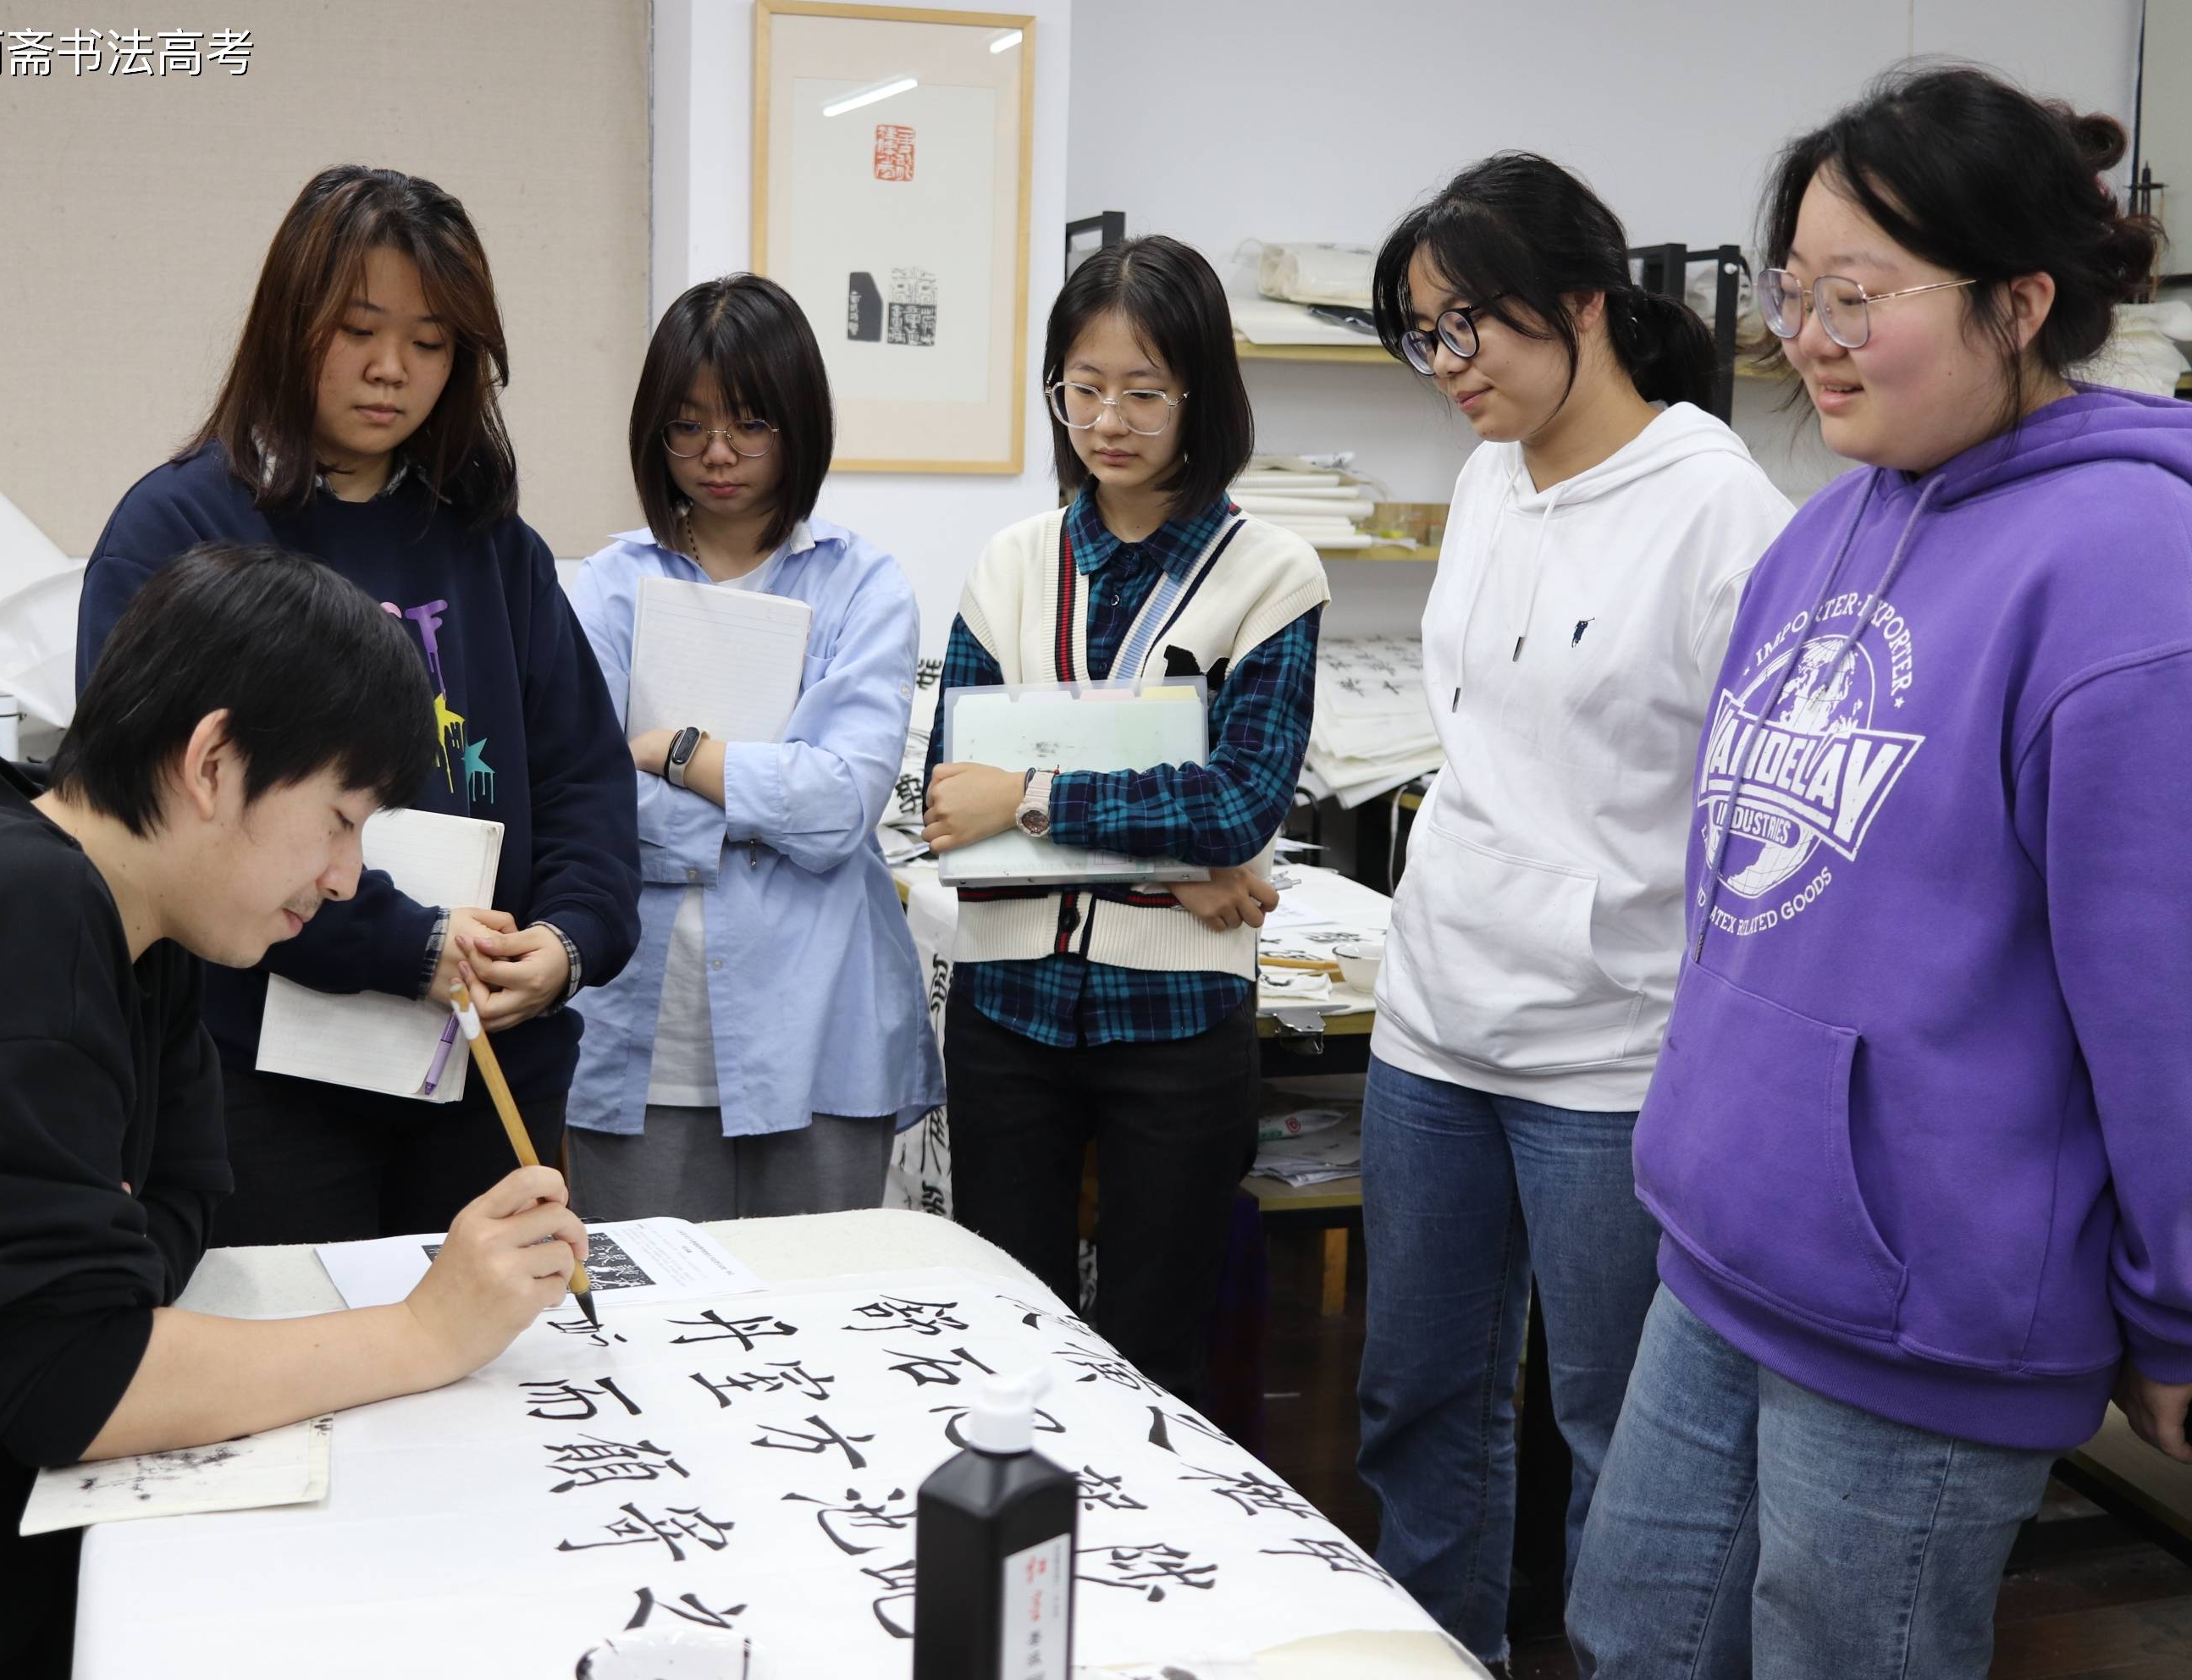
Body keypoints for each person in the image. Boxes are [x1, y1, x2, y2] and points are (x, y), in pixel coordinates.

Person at [0, 545, 592, 1677]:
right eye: (342, 819)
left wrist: (100, 1285)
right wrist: (425, 1331)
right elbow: (77, 1383)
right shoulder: (21, 914)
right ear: (214, 761)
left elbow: (183, 1197)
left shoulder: (126, 916)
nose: (350, 877)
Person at [1571, 66, 2192, 1678]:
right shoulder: (1827, 525)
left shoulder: (2133, 572)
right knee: (1626, 1633)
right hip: (1724, 1239)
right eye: (1795, 292)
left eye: (1859, 294)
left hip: (1928, 1307)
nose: (1809, 337)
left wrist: (2177, 1304)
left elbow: (2163, 997)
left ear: (2020, 302)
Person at [1350, 154, 1795, 1666]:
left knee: (1622, 1431)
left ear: (1587, 300)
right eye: (1423, 332)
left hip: (1611, 1055)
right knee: (1419, 1401)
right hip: (1431, 1027)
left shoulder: (1722, 512)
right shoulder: (1486, 474)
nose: (1448, 363)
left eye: (1471, 320)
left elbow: (1755, 830)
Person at [76, 166, 638, 1244]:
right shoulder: (178, 530)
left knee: (488, 1382)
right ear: (292, 323)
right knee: (295, 1366)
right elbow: (158, 809)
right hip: (257, 1072)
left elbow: (584, 781)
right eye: (358, 329)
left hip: (482, 1063)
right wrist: (400, 942)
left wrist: (568, 941)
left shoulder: (492, 547)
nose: (393, 371)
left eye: (430, 343)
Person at [922, 234, 1328, 1405]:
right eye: (1083, 388)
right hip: (1009, 1013)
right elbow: (955, 807)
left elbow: (1241, 801)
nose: (1109, 418)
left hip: (1179, 1020)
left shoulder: (1272, 576)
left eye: (1144, 390)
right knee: (1009, 1338)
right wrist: (1169, 866)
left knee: (1161, 1355)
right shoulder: (1008, 565)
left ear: (1201, 391)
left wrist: (1038, 799)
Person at [563, 274, 941, 1218]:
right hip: (639, 1028)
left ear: (798, 423)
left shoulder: (862, 586)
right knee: (644, 1323)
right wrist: (764, 809)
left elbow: (843, 803)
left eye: (749, 424)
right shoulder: (605, 588)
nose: (716, 454)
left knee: (816, 1319)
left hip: (818, 1028)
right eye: (687, 426)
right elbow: (588, 800)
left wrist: (677, 751)